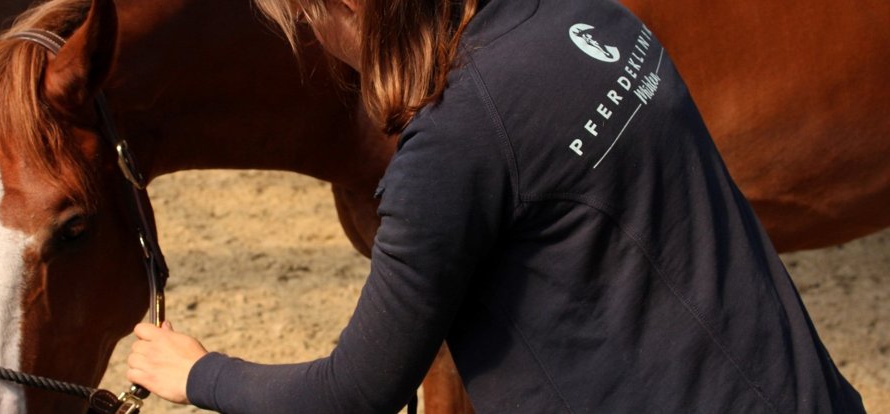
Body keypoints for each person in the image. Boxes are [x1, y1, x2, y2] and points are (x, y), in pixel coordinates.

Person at [125, 0, 866, 412]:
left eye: (307, 22)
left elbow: (352, 392)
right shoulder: (588, 18)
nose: (317, 43)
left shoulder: (452, 148)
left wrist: (198, 374)